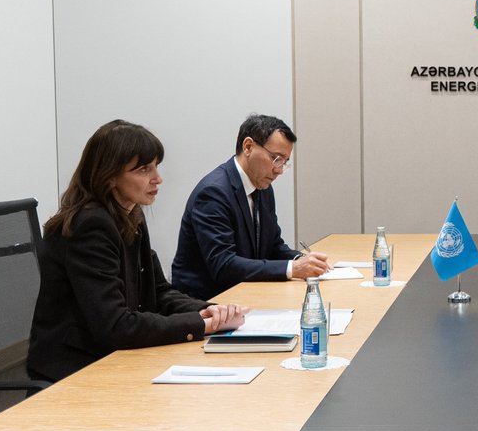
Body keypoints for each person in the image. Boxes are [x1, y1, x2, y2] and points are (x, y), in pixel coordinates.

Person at [27, 120, 246, 383]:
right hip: (75, 371)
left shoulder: (129, 215)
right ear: (109, 176)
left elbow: (158, 291)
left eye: (156, 166)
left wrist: (210, 311)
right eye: (144, 169)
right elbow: (115, 326)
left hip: (111, 356)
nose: (157, 179)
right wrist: (199, 324)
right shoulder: (90, 226)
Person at [170, 114, 330, 299]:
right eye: (276, 158)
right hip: (208, 302)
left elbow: (273, 246)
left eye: (284, 162)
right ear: (248, 147)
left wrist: (302, 260)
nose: (279, 170)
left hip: (245, 294)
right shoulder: (213, 193)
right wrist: (293, 268)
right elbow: (223, 265)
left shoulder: (262, 187)